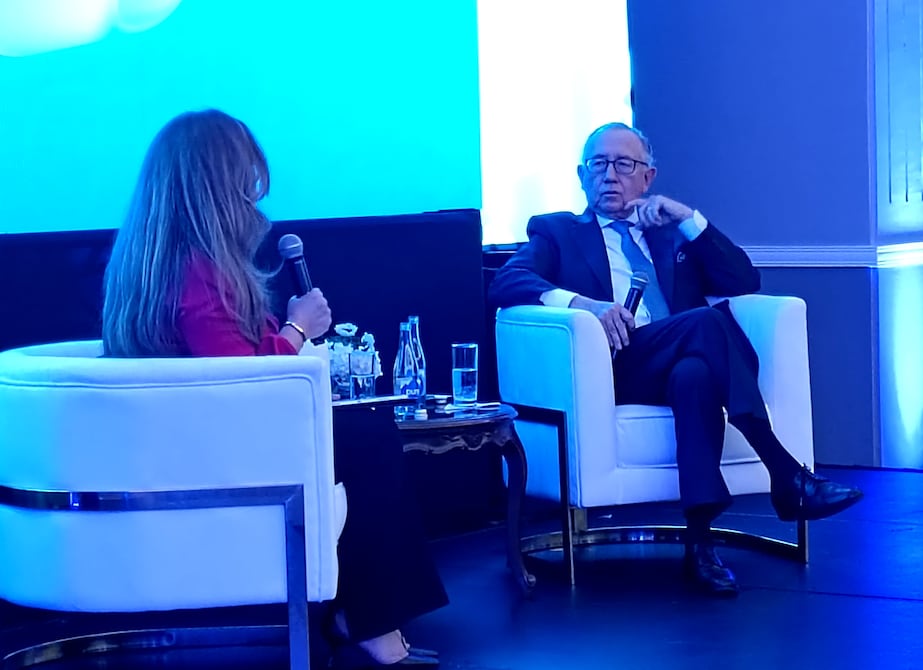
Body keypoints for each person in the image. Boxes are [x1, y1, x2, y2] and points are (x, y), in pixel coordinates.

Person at [102, 109, 446, 666]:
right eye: (245, 184)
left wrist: (284, 331)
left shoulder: (150, 262)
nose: (254, 201)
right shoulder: (199, 271)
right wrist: (297, 330)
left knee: (359, 430)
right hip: (211, 452)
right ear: (218, 186)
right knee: (368, 439)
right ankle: (373, 622)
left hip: (178, 441)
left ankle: (359, 613)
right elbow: (244, 383)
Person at [487, 122, 863, 597]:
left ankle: (700, 546)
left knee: (695, 375)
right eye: (598, 164)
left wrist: (688, 218)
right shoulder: (558, 231)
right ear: (581, 176)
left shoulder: (670, 235)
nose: (609, 175)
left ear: (648, 177)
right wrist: (583, 305)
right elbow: (506, 282)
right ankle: (785, 474)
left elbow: (743, 280)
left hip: (683, 361)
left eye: (624, 165)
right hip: (614, 367)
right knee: (705, 323)